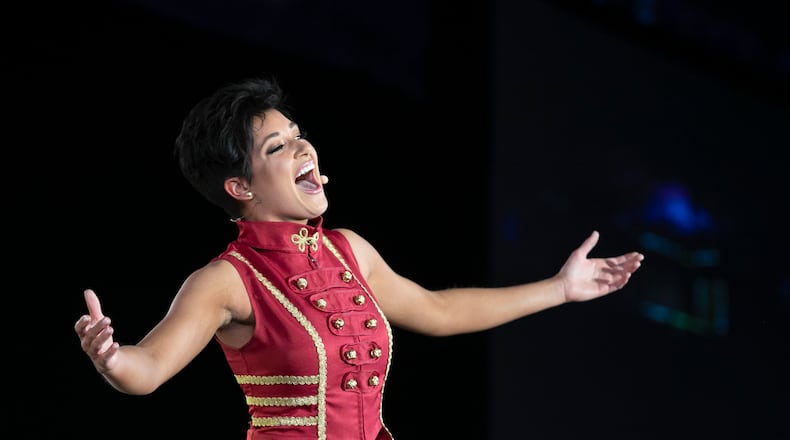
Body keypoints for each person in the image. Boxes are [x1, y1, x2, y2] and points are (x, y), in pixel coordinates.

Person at [74, 76, 644, 440]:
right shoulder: (227, 280)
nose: (303, 148)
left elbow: (437, 310)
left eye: (298, 135)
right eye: (278, 147)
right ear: (240, 188)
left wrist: (560, 288)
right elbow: (146, 370)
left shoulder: (347, 249)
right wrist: (112, 359)